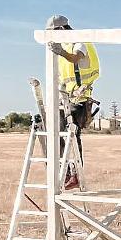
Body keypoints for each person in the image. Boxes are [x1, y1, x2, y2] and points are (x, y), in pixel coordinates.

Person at [46, 14, 100, 189]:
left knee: (72, 135)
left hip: (80, 99)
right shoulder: (65, 47)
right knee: (58, 132)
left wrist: (61, 52)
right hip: (68, 98)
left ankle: (76, 173)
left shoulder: (79, 42)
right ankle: (66, 171)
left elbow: (76, 57)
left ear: (61, 30)